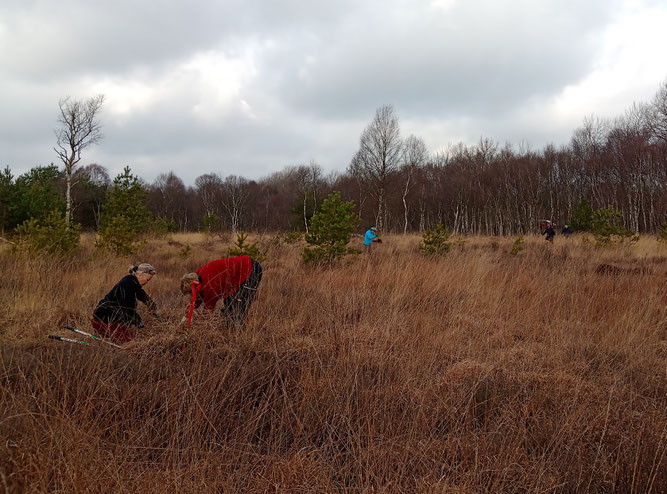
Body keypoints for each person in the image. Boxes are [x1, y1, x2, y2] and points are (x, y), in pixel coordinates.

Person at [180, 256, 262, 329]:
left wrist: (200, 327)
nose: (191, 294)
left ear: (194, 286)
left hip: (250, 269)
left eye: (190, 292)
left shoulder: (210, 287)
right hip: (238, 274)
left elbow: (208, 310)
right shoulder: (198, 275)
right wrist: (185, 319)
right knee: (228, 304)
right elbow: (196, 300)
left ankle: (239, 334)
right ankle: (229, 330)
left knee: (237, 307)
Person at [92, 263, 158, 344]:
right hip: (104, 319)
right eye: (147, 279)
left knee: (118, 342)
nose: (147, 282)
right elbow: (127, 308)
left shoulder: (133, 281)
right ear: (140, 274)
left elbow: (142, 295)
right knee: (128, 345)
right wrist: (138, 320)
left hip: (113, 318)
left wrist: (151, 305)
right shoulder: (127, 284)